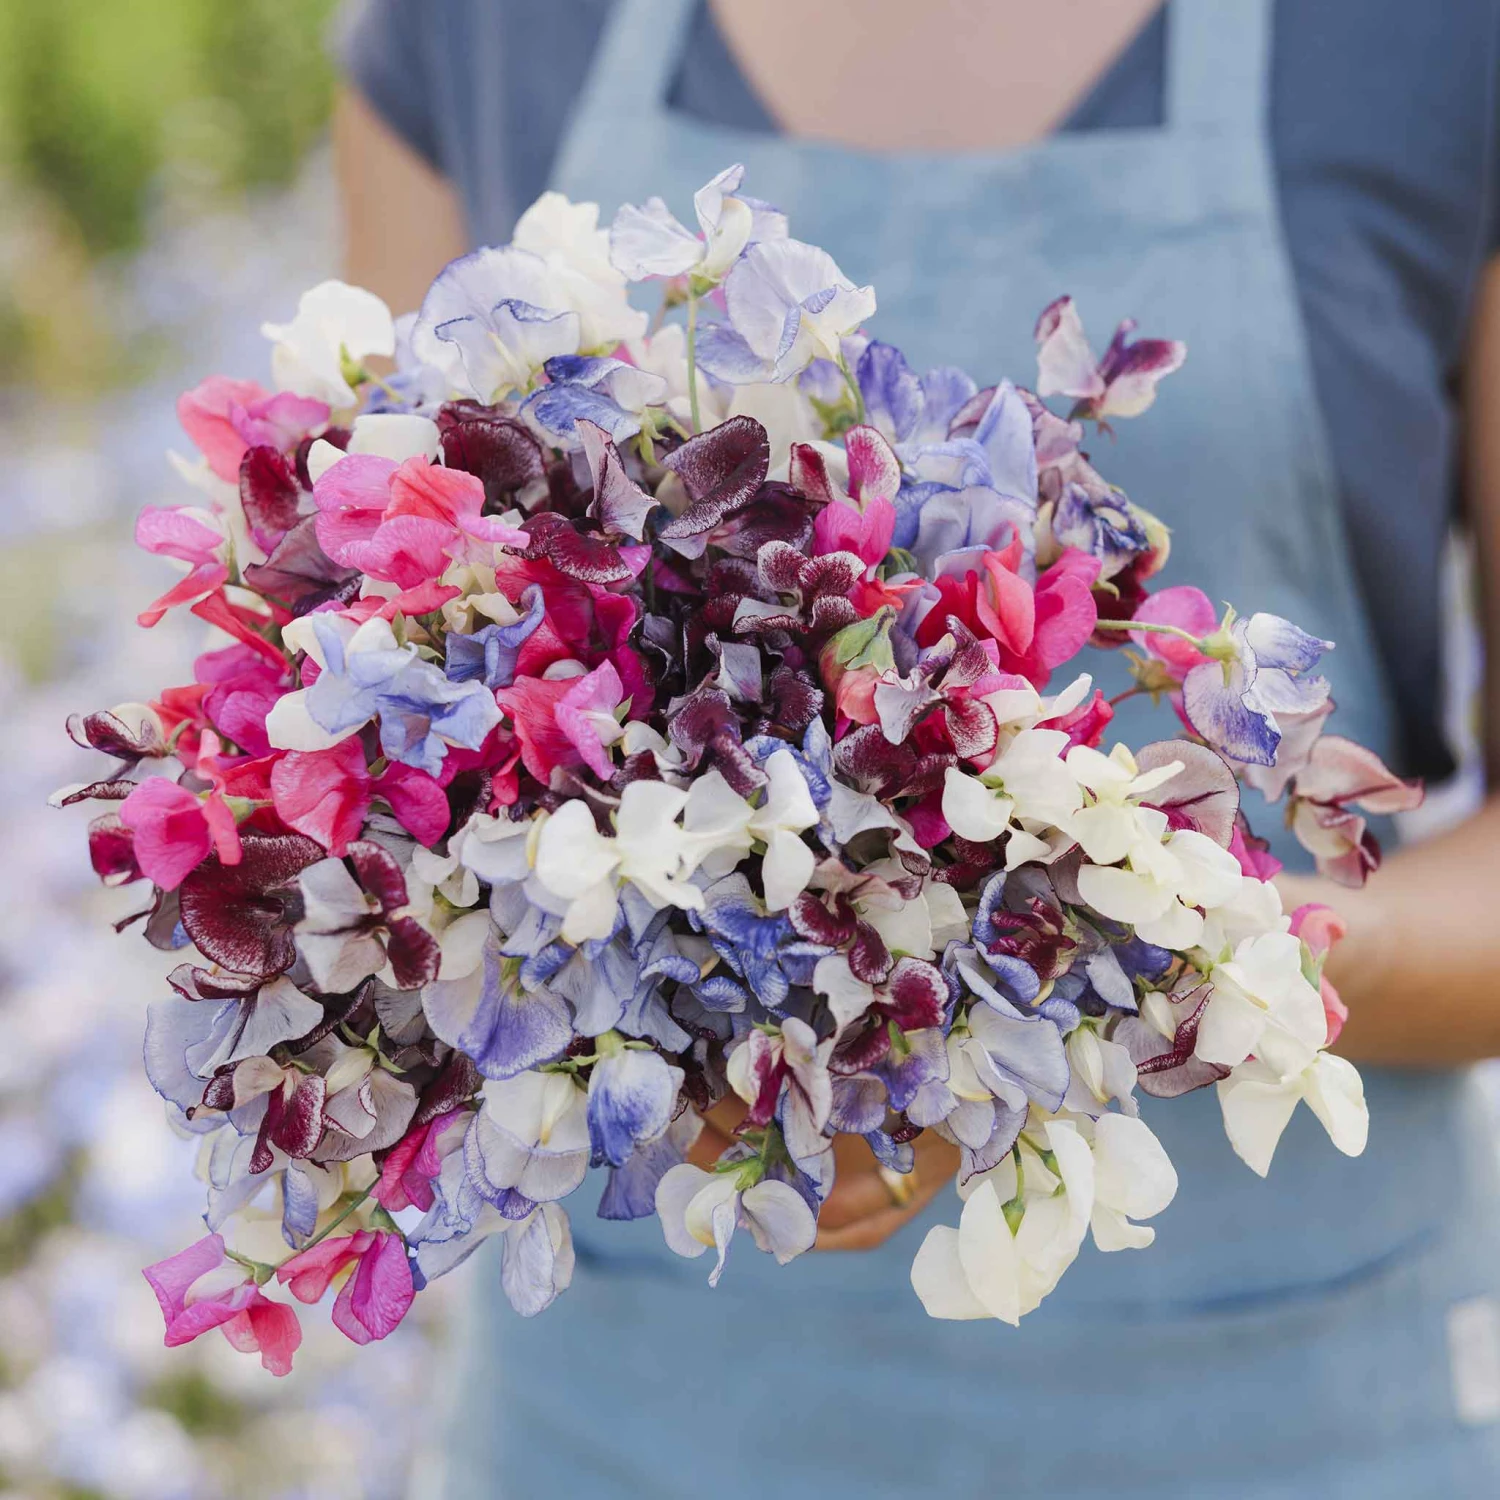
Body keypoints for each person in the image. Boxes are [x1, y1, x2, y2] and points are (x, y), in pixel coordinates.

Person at [335, 1, 1500, 1493]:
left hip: (1287, 1401)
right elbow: (387, 668)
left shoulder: (1437, 41)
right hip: (639, 1408)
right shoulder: (482, 29)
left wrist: (1196, 963)